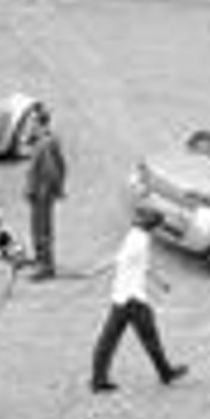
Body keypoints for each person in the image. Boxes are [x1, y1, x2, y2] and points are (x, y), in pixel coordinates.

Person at [89, 209, 187, 392]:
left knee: (108, 339)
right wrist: (95, 270)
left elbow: (142, 264)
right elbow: (121, 259)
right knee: (150, 338)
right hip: (133, 299)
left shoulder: (135, 235)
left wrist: (159, 281)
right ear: (153, 227)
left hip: (121, 297)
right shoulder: (139, 241)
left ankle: (98, 379)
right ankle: (166, 373)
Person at [24, 113, 66, 280]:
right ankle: (42, 259)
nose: (30, 127)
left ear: (39, 124)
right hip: (42, 193)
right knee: (40, 228)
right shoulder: (48, 140)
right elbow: (62, 166)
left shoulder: (45, 144)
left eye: (32, 124)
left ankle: (45, 266)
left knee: (41, 230)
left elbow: (52, 171)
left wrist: (44, 190)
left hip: (41, 195)